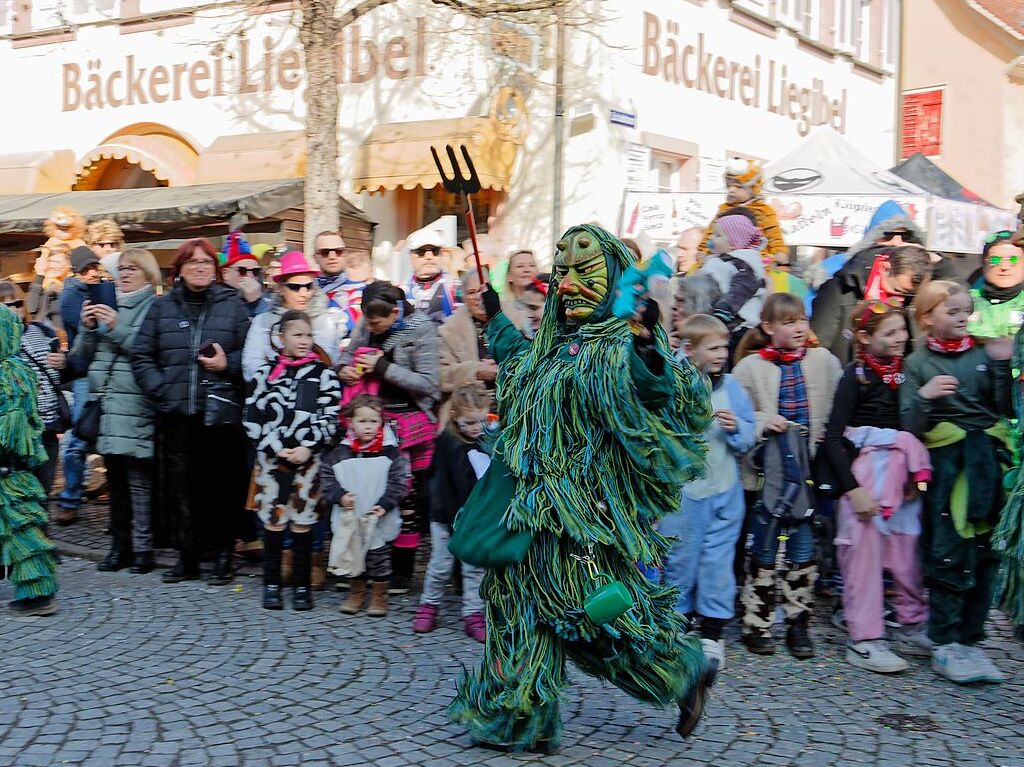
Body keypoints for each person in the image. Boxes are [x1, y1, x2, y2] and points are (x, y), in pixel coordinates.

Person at [449, 224, 716, 753]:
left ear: (614, 278)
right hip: (523, 508)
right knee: (515, 606)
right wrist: (495, 318)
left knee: (586, 620)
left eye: (585, 272)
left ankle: (681, 670)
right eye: (563, 271)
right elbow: (523, 369)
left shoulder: (614, 347)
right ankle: (517, 713)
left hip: (573, 518)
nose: (568, 284)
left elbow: (653, 387)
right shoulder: (557, 344)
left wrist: (644, 341)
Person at [901, 281, 1012, 685]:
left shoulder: (983, 352)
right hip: (946, 466)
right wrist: (925, 398)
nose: (963, 317)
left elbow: (1004, 409)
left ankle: (971, 639)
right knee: (949, 548)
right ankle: (944, 641)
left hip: (988, 461)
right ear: (928, 318)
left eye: (967, 310)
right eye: (952, 311)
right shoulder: (915, 364)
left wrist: (1002, 366)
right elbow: (908, 424)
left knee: (987, 550)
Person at [819, 299, 933, 673]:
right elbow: (833, 437)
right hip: (865, 476)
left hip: (900, 474)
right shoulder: (855, 376)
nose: (901, 338)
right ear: (865, 337)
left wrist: (914, 473)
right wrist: (853, 488)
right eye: (891, 333)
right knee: (863, 555)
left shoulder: (903, 373)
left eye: (903, 330)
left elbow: (908, 426)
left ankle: (910, 620)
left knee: (906, 552)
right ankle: (865, 637)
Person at [132, 238, 252, 585]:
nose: (201, 267)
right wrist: (161, 391)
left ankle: (222, 556)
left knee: (222, 488)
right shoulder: (161, 307)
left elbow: (252, 355)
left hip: (220, 415)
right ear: (180, 269)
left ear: (215, 270)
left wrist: (227, 364)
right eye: (193, 262)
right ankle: (187, 556)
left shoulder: (233, 306)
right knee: (181, 489)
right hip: (178, 414)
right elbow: (141, 355)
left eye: (207, 263)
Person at [732, 292, 842, 658]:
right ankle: (756, 623)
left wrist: (832, 436)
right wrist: (765, 422)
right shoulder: (750, 368)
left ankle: (798, 624)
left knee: (803, 550)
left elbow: (839, 405)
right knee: (762, 550)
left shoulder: (823, 361)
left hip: (808, 478)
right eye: (788, 322)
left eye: (801, 321)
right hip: (768, 478)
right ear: (768, 327)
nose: (798, 328)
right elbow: (737, 414)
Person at [661, 314, 755, 670]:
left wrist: (737, 430)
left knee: (718, 563)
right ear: (690, 350)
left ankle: (712, 632)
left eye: (724, 347)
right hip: (684, 492)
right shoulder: (675, 384)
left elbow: (748, 437)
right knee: (681, 559)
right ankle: (677, 624)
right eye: (713, 348)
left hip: (724, 490)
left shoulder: (733, 388)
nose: (721, 354)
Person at [338, 282, 441, 595]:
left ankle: (401, 569)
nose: (371, 327)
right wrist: (345, 370)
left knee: (402, 495)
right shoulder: (367, 320)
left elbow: (429, 383)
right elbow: (345, 358)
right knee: (364, 491)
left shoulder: (422, 328)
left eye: (377, 322)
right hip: (369, 415)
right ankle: (361, 563)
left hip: (409, 418)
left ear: (395, 312)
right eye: (367, 321)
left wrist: (383, 367)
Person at [244, 310, 341, 611]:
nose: (304, 341)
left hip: (308, 463)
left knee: (303, 522)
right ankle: (271, 584)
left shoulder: (323, 374)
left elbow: (330, 417)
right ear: (281, 336)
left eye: (308, 335)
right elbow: (252, 417)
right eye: (297, 335)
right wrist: (273, 446)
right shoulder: (264, 374)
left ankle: (302, 587)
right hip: (273, 463)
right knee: (273, 521)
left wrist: (308, 446)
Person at [71, 249, 161, 574]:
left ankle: (143, 549)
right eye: (121, 269)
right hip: (107, 404)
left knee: (139, 482)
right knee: (116, 482)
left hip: (135, 403)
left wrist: (116, 326)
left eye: (132, 269)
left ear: (148, 274)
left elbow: (148, 350)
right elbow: (81, 356)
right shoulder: (109, 301)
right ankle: (119, 547)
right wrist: (89, 327)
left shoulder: (155, 306)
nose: (124, 274)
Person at [413, 383, 493, 642]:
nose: (475, 428)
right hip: (446, 516)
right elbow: (439, 485)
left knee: (474, 567)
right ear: (455, 416)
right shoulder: (447, 443)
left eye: (481, 421)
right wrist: (451, 518)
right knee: (440, 564)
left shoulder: (487, 440)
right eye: (469, 422)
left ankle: (473, 613)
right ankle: (429, 605)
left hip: (475, 517)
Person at [322, 395, 411, 618]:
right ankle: (356, 591)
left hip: (377, 514)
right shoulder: (339, 454)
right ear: (350, 422)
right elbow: (326, 479)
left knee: (378, 556)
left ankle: (379, 594)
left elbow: (400, 482)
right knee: (353, 555)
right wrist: (340, 496)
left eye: (373, 421)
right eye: (362, 421)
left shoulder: (391, 453)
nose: (368, 426)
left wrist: (385, 504)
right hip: (350, 515)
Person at [0, 305, 59, 615]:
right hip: (15, 467)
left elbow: (10, 428)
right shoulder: (16, 368)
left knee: (23, 530)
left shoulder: (7, 373)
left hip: (9, 469)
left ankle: (38, 595)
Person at [0, 280, 67, 506]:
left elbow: (61, 377)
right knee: (18, 496)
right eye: (5, 305)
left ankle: (44, 538)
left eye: (17, 303)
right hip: (14, 435)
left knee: (43, 492)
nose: (13, 309)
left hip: (46, 427)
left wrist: (65, 363)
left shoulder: (43, 332)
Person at [54, 245, 106, 526]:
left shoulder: (99, 289)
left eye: (94, 266)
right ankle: (70, 499)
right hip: (86, 374)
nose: (92, 272)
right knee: (79, 437)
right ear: (76, 271)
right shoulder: (72, 295)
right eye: (86, 268)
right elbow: (94, 326)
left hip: (108, 371)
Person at [812, 244, 934, 363]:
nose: (901, 300)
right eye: (896, 291)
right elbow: (817, 348)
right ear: (884, 268)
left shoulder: (911, 294)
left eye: (909, 295)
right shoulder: (838, 290)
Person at [243, 251, 344, 378]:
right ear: (280, 289)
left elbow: (330, 363)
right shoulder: (262, 321)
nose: (304, 293)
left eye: (309, 286)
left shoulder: (325, 321)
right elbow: (251, 365)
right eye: (295, 287)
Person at [697, 213, 766, 351]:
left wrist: (722, 313)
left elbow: (740, 290)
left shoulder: (743, 264)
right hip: (717, 322)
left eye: (718, 235)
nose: (711, 238)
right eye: (712, 234)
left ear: (734, 243)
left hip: (737, 323)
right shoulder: (721, 260)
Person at [438, 270, 497, 428]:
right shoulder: (450, 329)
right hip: (467, 412)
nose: (480, 297)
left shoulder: (515, 319)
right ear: (464, 297)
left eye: (484, 290)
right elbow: (441, 375)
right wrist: (475, 371)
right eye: (472, 292)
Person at [699, 159, 786, 262]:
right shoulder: (724, 209)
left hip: (755, 257)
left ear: (751, 188)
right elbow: (712, 231)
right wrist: (703, 249)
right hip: (724, 256)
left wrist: (779, 251)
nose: (731, 190)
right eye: (729, 186)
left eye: (738, 186)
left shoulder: (764, 210)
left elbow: (773, 232)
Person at [968, 230, 1024, 339]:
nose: (1004, 267)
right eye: (995, 260)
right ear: (984, 265)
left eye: (1013, 260)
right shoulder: (964, 302)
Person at [405, 229, 458, 322]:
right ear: (411, 257)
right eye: (421, 252)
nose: (429, 257)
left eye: (435, 251)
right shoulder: (403, 289)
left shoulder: (454, 286)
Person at [221, 232, 271, 318]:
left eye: (255, 271)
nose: (250, 276)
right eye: (242, 270)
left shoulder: (268, 303)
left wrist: (257, 303)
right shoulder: (216, 302)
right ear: (226, 274)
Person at [313, 230, 352, 339]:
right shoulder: (303, 289)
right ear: (315, 257)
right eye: (325, 252)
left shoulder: (362, 289)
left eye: (338, 251)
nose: (332, 256)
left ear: (345, 254)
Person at [27, 241, 73, 329]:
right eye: (50, 261)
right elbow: (30, 308)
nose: (52, 265)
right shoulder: (43, 284)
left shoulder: (71, 286)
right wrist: (40, 275)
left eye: (57, 262)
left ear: (68, 265)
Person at [500, 249, 539, 330]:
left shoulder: (549, 305)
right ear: (509, 276)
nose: (527, 270)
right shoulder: (502, 310)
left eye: (532, 265)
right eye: (520, 266)